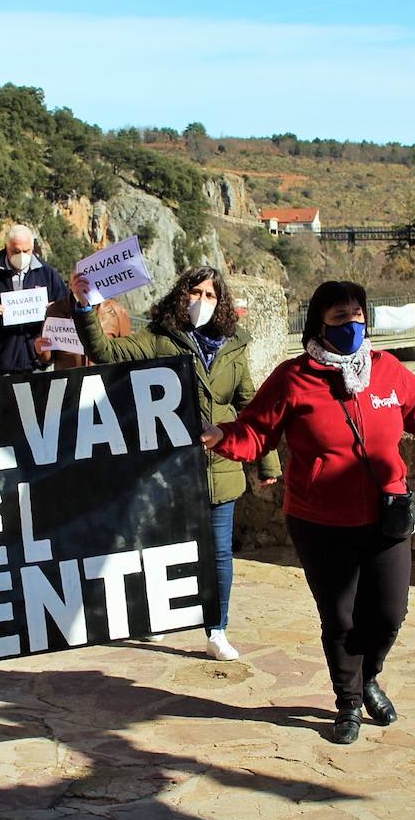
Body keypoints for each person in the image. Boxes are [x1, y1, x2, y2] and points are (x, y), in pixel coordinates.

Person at [201, 280, 415, 744]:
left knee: (390, 612)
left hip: (386, 514)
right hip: (319, 522)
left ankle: (369, 674)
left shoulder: (387, 371)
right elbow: (257, 432)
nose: (352, 324)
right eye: (339, 318)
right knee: (341, 619)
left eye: (357, 315)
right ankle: (349, 703)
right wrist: (222, 439)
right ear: (319, 324)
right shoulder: (293, 378)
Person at [72, 265, 282, 661]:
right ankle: (158, 617)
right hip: (169, 469)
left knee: (219, 552)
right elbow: (106, 352)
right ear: (180, 295)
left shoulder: (234, 346)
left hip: (219, 466)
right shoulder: (159, 339)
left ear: (221, 303)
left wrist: (267, 462)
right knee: (162, 545)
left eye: (210, 295)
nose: (201, 301)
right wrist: (86, 308)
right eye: (195, 292)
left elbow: (249, 407)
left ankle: (216, 628)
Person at [0, 224, 71, 377]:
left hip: (38, 363)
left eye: (26, 251)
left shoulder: (47, 274)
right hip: (2, 364)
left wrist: (54, 309)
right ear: (6, 248)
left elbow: (66, 308)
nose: (21, 255)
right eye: (16, 251)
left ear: (33, 247)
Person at [34, 294, 132, 370]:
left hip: (104, 386)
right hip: (68, 384)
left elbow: (127, 355)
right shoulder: (55, 310)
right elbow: (48, 358)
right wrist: (41, 350)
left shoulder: (116, 311)